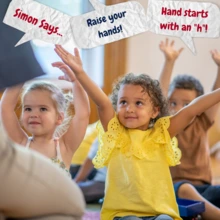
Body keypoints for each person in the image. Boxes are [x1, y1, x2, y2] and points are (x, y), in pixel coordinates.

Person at [54, 45, 220, 220]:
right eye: (123, 102)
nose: (129, 109)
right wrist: (80, 73)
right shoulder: (115, 132)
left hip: (159, 212)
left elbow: (192, 109)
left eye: (139, 103)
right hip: (123, 214)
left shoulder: (161, 133)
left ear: (155, 111)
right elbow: (102, 102)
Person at [159, 38, 220, 219]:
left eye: (187, 104)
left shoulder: (202, 120)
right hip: (177, 190)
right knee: (185, 189)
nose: (179, 109)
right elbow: (160, 95)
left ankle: (204, 213)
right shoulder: (166, 126)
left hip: (206, 189)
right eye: (173, 103)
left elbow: (214, 97)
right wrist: (169, 62)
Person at [0, 62, 90, 173]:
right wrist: (21, 74)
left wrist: (76, 81)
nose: (34, 114)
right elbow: (5, 108)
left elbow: (83, 114)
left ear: (59, 117)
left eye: (43, 109)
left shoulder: (65, 147)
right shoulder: (21, 143)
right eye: (28, 109)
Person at [74, 138, 106, 203]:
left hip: (104, 183)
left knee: (70, 191)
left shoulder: (104, 136)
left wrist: (76, 182)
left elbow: (90, 160)